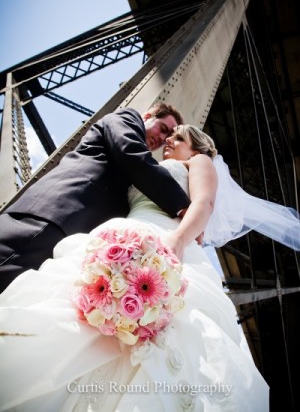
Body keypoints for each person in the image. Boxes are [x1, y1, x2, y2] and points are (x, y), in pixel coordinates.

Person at [1, 124, 299, 411]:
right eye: (169, 135)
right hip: (123, 235)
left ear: (196, 145)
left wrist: (178, 242)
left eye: (178, 137)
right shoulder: (153, 170)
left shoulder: (200, 162)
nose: (168, 140)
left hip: (165, 240)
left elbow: (204, 203)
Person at [0, 103, 191, 292]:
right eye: (163, 128)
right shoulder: (127, 118)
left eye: (167, 136)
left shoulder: (143, 164)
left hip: (74, 238)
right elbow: (131, 154)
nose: (162, 138)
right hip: (56, 214)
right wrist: (183, 206)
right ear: (148, 116)